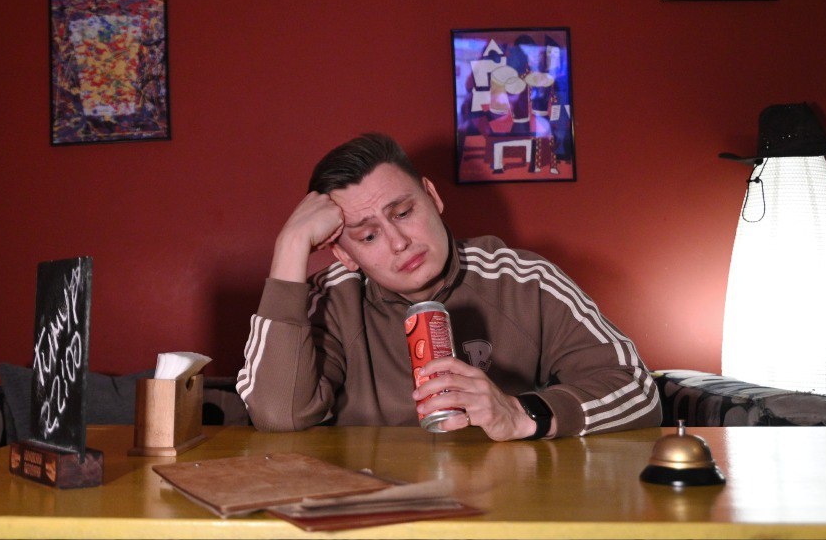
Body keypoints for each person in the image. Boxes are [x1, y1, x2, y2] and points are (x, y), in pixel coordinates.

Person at [237, 134, 661, 440]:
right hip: (373, 515)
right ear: (345, 255)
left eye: (403, 212)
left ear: (432, 197)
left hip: (507, 510)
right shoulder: (330, 300)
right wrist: (290, 246)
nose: (399, 242)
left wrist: (520, 413)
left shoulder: (524, 279)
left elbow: (638, 390)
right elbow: (277, 415)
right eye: (367, 236)